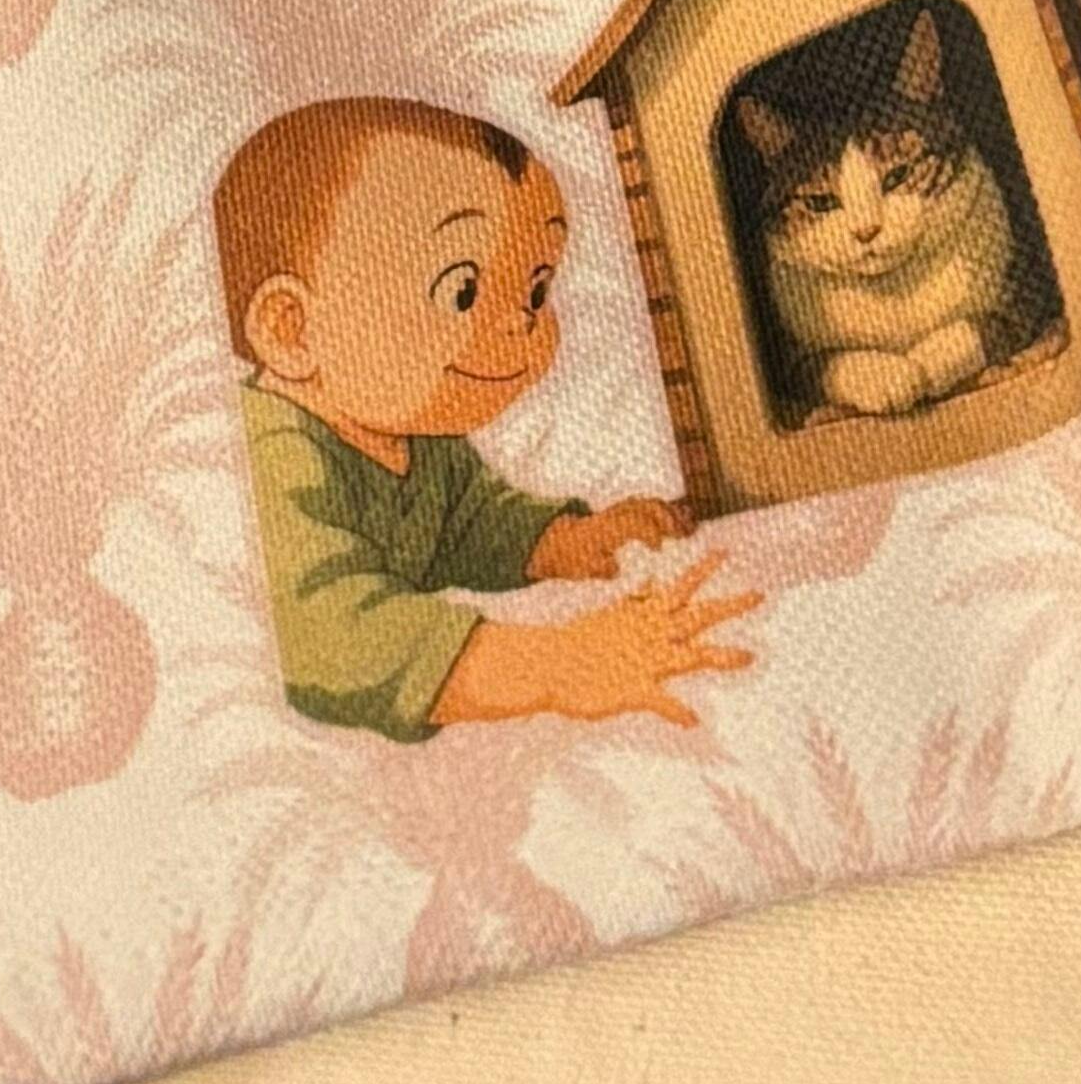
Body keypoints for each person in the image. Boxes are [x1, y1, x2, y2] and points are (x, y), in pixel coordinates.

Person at [212, 91, 759, 734]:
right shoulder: (274, 454)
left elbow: (473, 524)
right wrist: (555, 665)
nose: (521, 321)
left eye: (535, 288)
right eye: (463, 290)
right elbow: (325, 637)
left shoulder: (422, 439)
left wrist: (565, 543)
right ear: (292, 330)